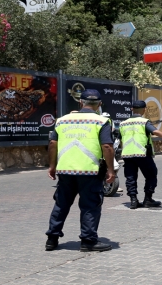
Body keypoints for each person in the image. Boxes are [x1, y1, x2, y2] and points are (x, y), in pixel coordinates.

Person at [45, 89, 115, 252]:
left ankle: (52, 239)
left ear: (80, 102)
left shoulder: (62, 121)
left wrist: (52, 166)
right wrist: (111, 170)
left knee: (61, 204)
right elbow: (107, 146)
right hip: (89, 171)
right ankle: (88, 241)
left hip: (65, 171)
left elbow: (53, 144)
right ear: (99, 104)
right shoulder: (101, 121)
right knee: (90, 205)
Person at [119, 100, 162, 209]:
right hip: (142, 154)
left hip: (127, 155)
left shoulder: (123, 123)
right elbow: (155, 131)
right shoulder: (144, 122)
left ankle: (133, 201)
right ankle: (148, 200)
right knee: (151, 175)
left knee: (130, 178)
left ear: (131, 109)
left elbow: (121, 139)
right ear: (144, 110)